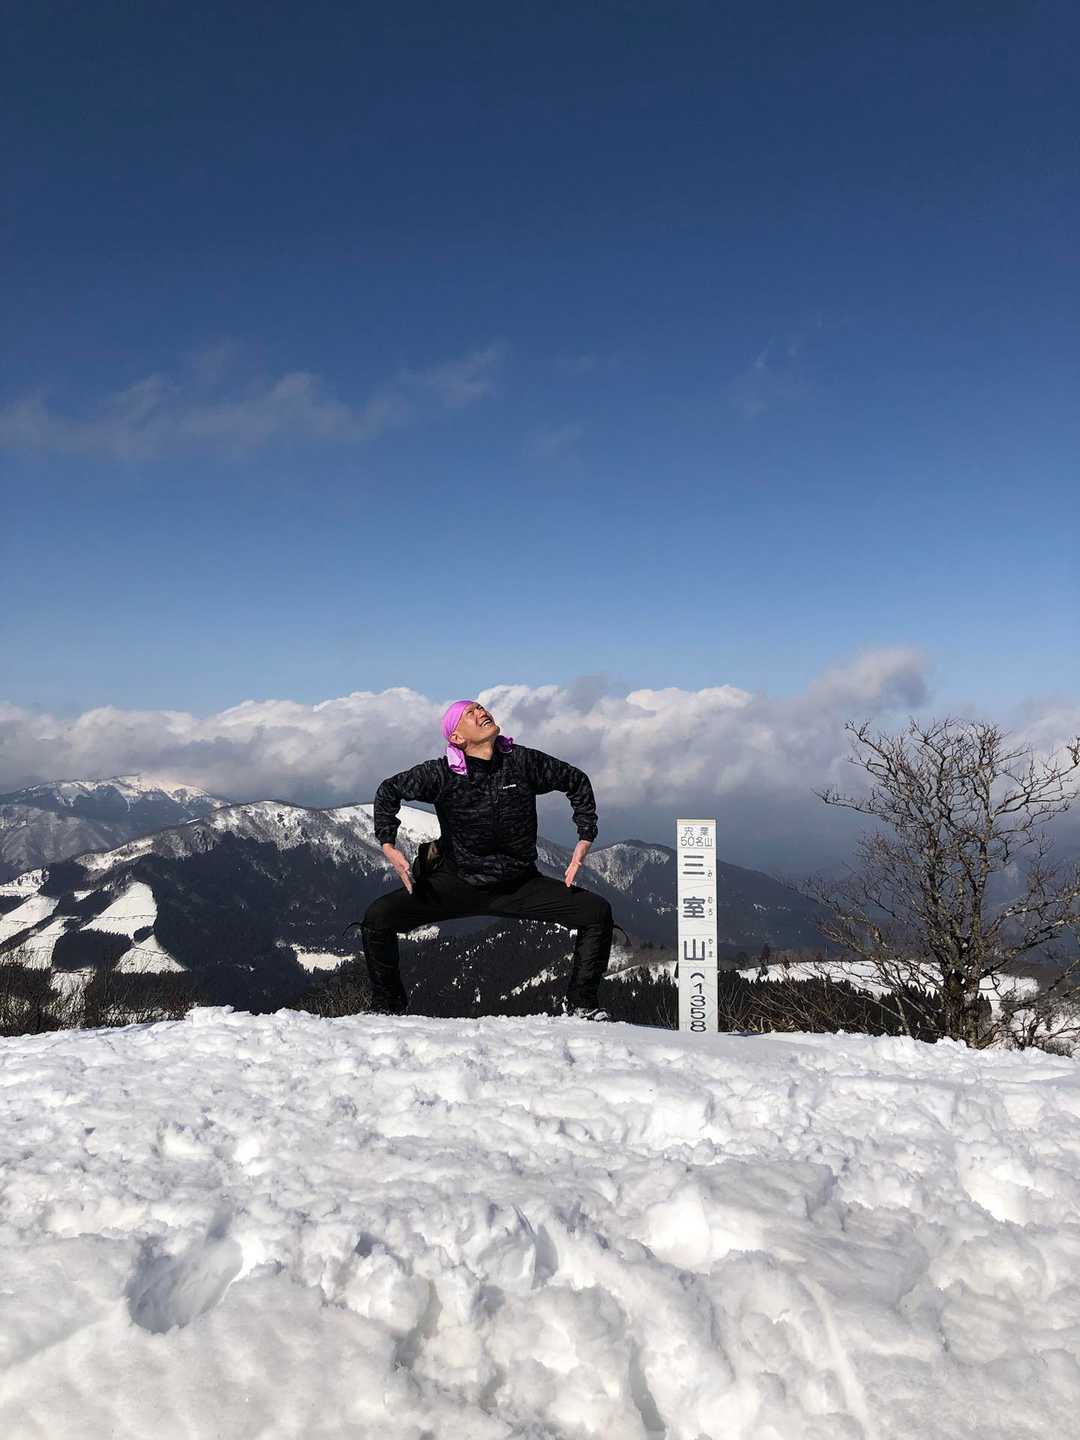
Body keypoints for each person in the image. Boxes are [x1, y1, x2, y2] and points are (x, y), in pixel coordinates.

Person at [361, 699, 613, 1019]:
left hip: (520, 884)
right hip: (456, 883)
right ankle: (387, 1007)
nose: (481, 712)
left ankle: (582, 1005)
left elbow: (576, 781)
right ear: (456, 738)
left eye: (481, 707)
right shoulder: (441, 773)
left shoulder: (522, 762)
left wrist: (585, 836)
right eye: (470, 712)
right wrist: (388, 843)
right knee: (378, 918)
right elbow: (388, 791)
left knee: (596, 912)